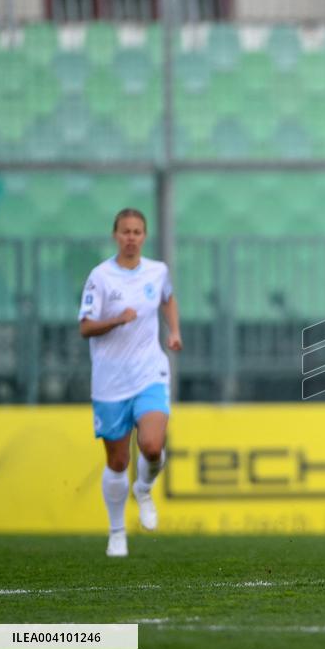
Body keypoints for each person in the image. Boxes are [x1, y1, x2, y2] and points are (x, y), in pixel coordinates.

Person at [78, 208, 182, 557]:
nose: (131, 237)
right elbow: (85, 327)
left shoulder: (157, 271)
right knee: (118, 461)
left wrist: (175, 331)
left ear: (144, 236)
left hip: (149, 372)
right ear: (115, 235)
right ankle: (117, 530)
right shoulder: (100, 278)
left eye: (137, 231)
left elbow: (167, 298)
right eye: (125, 231)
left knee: (152, 446)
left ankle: (144, 488)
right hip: (110, 380)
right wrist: (116, 319)